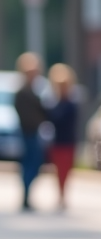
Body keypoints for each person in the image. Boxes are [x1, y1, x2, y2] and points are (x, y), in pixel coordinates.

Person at [14, 52, 47, 211]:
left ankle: (27, 195)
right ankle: (26, 196)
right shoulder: (22, 92)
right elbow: (28, 115)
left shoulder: (33, 91)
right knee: (30, 164)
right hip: (27, 132)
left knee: (35, 163)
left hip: (33, 132)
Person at [45, 63, 79, 209]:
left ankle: (63, 195)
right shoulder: (55, 103)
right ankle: (60, 195)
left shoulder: (71, 104)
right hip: (57, 141)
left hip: (68, 141)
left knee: (66, 170)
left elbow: (59, 119)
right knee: (58, 171)